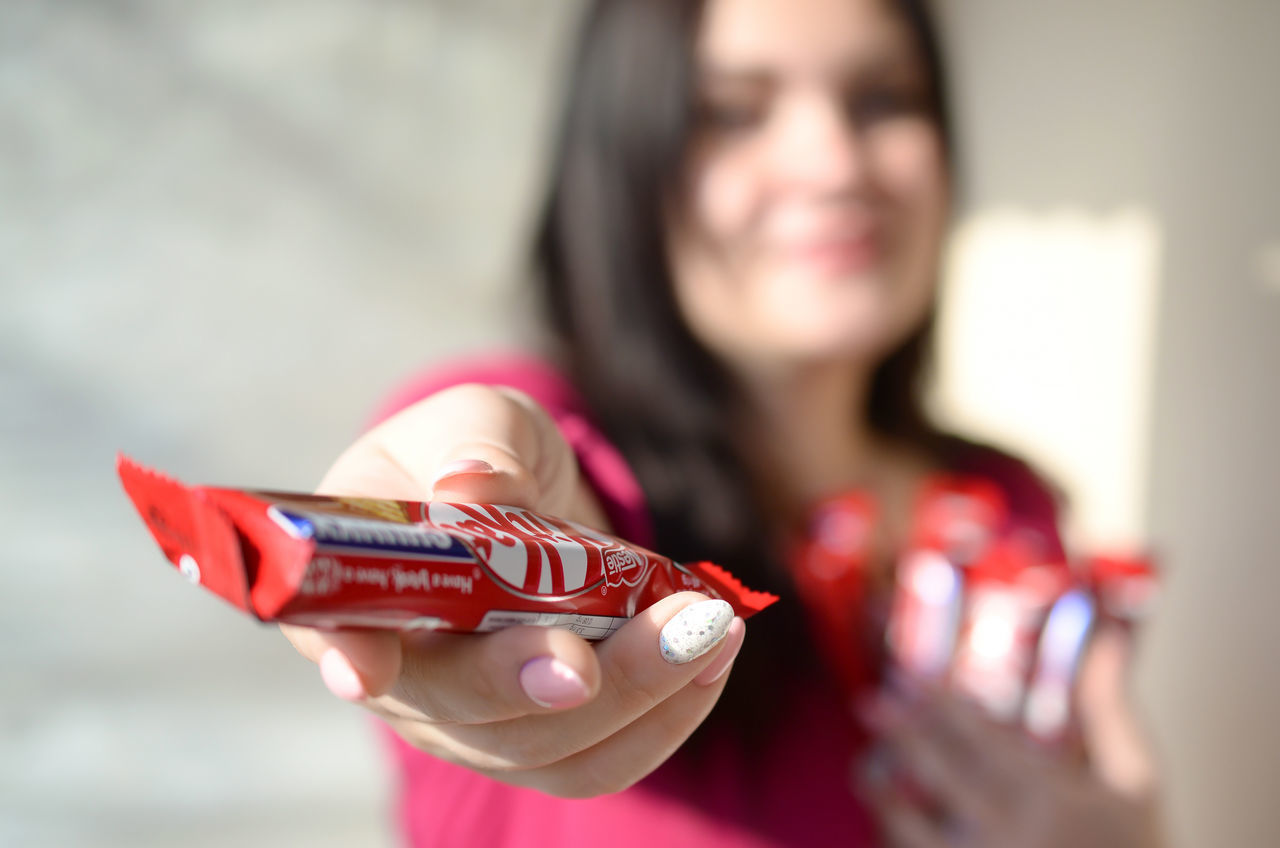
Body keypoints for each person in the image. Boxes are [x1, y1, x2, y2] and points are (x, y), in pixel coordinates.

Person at [283, 0, 1164, 844]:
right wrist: (484, 536)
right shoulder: (533, 431)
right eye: (732, 113)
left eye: (882, 99)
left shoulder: (1009, 505)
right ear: (624, 166)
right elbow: (528, 490)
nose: (834, 163)